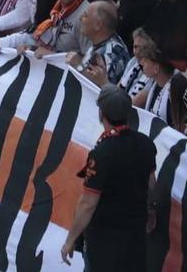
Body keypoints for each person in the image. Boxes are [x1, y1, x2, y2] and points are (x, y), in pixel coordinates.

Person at [63, 87, 153, 269]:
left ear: (101, 113)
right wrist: (152, 210)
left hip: (104, 245)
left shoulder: (101, 153)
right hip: (135, 242)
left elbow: (88, 204)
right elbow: (152, 185)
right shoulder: (145, 143)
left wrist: (70, 239)